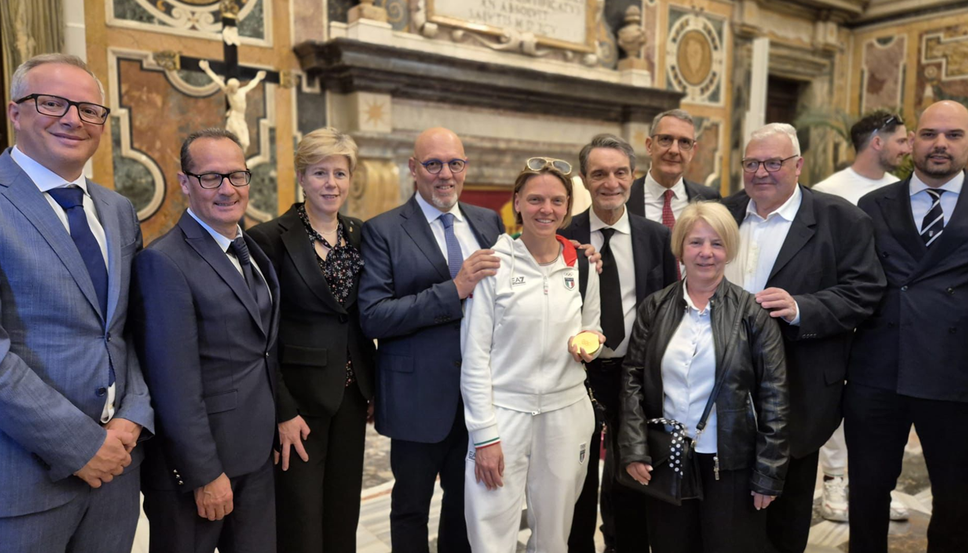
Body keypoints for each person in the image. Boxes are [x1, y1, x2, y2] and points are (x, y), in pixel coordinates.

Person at [0, 53, 153, 552]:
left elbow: (127, 329)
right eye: (52, 103)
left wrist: (134, 415)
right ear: (15, 111)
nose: (73, 119)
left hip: (117, 474)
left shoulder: (118, 209)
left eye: (90, 109)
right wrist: (82, 444)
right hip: (24, 478)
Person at [721, 123, 886, 553]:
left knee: (786, 512)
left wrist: (801, 308)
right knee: (729, 511)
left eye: (774, 162)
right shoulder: (724, 213)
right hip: (724, 387)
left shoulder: (841, 219)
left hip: (802, 386)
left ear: (798, 165)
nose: (761, 172)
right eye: (752, 163)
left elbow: (864, 291)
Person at [132, 128, 280, 553]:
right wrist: (204, 475)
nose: (227, 189)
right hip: (199, 470)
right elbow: (173, 385)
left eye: (237, 176)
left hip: (254, 454)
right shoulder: (163, 262)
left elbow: (261, 350)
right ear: (184, 183)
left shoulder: (250, 247)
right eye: (211, 177)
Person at [358, 127, 505, 553]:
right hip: (416, 397)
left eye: (454, 164)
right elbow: (373, 316)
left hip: (479, 399)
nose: (445, 174)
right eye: (433, 164)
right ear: (413, 169)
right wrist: (453, 289)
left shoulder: (487, 221)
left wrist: (576, 253)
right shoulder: (383, 230)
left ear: (465, 168)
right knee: (410, 511)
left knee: (466, 508)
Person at [618, 201, 789, 553]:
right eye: (696, 242)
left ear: (729, 250)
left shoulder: (752, 313)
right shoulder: (655, 307)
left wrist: (768, 472)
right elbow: (632, 379)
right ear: (680, 247)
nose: (706, 253)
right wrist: (635, 448)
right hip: (668, 459)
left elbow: (775, 397)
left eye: (717, 243)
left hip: (729, 464)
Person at [461, 158, 602, 551]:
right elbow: (474, 358)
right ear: (517, 203)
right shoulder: (493, 265)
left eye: (558, 201)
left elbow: (593, 326)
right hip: (504, 415)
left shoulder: (583, 265)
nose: (547, 209)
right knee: (490, 534)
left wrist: (588, 341)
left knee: (555, 534)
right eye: (536, 199)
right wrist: (485, 436)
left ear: (568, 207)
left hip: (566, 413)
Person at [847, 99, 968, 553]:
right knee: (868, 492)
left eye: (954, 135)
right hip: (878, 371)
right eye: (930, 134)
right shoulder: (871, 204)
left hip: (954, 374)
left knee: (956, 497)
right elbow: (853, 282)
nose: (940, 144)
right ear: (911, 140)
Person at [248, 127, 374, 552]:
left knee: (343, 513)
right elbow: (262, 334)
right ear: (301, 177)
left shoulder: (359, 234)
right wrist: (283, 410)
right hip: (299, 404)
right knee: (300, 518)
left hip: (352, 396)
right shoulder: (268, 238)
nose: (331, 184)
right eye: (320, 173)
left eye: (340, 173)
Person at [560, 134, 678, 552]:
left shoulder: (656, 238)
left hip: (634, 374)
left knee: (630, 478)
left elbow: (669, 307)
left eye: (620, 172)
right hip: (578, 376)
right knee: (576, 477)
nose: (611, 182)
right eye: (599, 173)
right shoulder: (563, 235)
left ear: (633, 175)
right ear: (585, 180)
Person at [810, 111, 912, 523]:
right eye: (901, 140)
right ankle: (835, 478)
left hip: (887, 318)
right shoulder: (828, 190)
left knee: (886, 405)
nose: (907, 148)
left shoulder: (904, 191)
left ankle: (878, 485)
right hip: (839, 310)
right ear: (877, 141)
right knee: (838, 394)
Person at [627, 109, 721, 228]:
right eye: (666, 139)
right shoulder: (625, 197)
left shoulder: (710, 199)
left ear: (692, 151)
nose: (674, 150)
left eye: (684, 142)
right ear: (649, 145)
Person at [812, 111, 912, 205]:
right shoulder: (826, 192)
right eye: (901, 142)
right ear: (877, 143)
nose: (906, 150)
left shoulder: (898, 188)